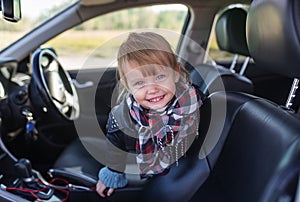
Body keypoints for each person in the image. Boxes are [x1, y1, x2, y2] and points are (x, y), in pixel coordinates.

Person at [96, 32, 202, 198]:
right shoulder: (122, 117)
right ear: (127, 85)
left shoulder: (193, 100)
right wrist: (113, 173)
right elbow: (115, 146)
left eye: (160, 77)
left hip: (180, 170)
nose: (152, 89)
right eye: (139, 83)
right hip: (140, 158)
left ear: (175, 73)